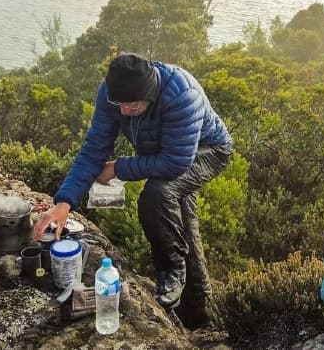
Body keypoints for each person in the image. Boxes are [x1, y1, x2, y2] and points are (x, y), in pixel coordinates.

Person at [33, 53, 233, 329]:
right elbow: (94, 149)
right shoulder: (112, 94)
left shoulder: (182, 95)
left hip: (207, 150)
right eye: (120, 104)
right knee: (182, 222)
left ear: (150, 94)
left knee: (158, 195)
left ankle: (172, 272)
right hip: (171, 152)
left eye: (134, 105)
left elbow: (175, 162)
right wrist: (64, 202)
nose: (125, 111)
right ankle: (198, 318)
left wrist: (119, 167)